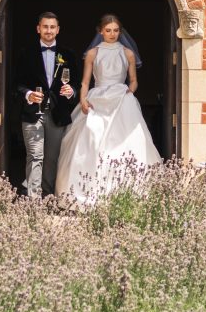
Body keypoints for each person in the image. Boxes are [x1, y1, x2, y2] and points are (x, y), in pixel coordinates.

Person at [55, 14, 162, 206]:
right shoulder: (93, 53)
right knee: (91, 138)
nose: (112, 34)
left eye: (115, 30)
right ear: (100, 31)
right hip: (98, 98)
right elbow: (86, 81)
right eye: (108, 30)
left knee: (128, 141)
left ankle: (129, 192)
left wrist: (130, 91)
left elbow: (134, 80)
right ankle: (83, 191)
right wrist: (83, 99)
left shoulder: (127, 53)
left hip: (121, 97)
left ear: (120, 31)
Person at [16, 12, 79, 198]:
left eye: (52, 27)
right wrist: (28, 94)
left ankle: (48, 196)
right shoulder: (26, 53)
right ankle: (33, 199)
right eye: (45, 27)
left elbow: (77, 83)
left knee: (52, 159)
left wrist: (72, 91)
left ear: (58, 30)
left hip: (57, 113)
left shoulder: (68, 55)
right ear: (38, 29)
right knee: (35, 155)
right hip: (31, 113)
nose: (49, 30)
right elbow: (16, 84)